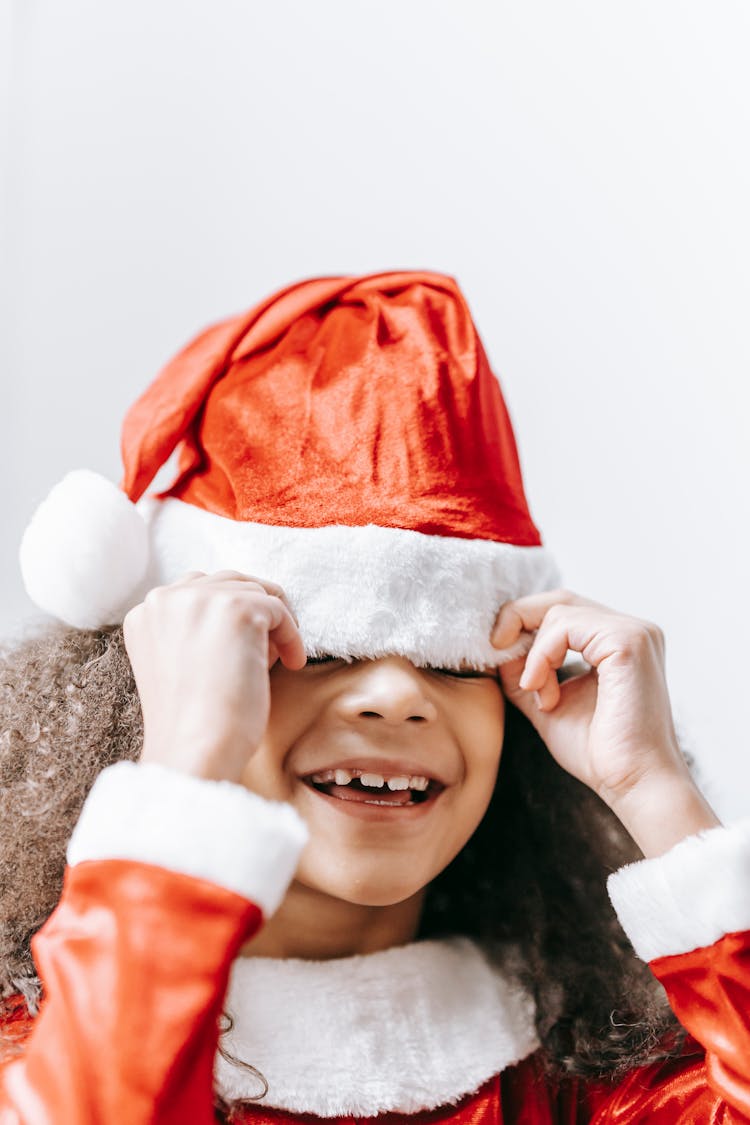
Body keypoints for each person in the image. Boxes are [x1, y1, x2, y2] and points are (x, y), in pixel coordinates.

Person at [0, 270, 748, 1123]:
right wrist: (180, 774)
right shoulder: (37, 1048)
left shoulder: (589, 1074)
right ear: (167, 677)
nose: (397, 696)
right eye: (319, 645)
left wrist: (655, 790)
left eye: (457, 660)